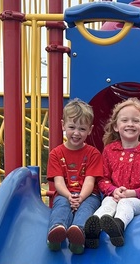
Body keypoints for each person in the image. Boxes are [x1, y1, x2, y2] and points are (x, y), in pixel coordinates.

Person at [83, 98, 140, 248]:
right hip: (115, 196)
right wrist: (114, 191)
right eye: (124, 120)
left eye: (135, 121)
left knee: (126, 204)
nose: (130, 124)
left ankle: (118, 226)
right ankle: (93, 229)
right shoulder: (109, 150)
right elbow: (103, 179)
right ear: (115, 126)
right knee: (107, 203)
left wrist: (132, 193)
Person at [46, 99, 104, 255]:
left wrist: (80, 197)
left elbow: (90, 181)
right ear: (63, 125)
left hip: (88, 195)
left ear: (90, 130)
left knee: (86, 209)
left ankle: (77, 235)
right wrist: (70, 196)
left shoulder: (93, 153)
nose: (76, 133)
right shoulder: (56, 154)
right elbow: (58, 182)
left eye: (82, 129)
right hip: (65, 193)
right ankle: (56, 233)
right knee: (61, 206)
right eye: (72, 127)